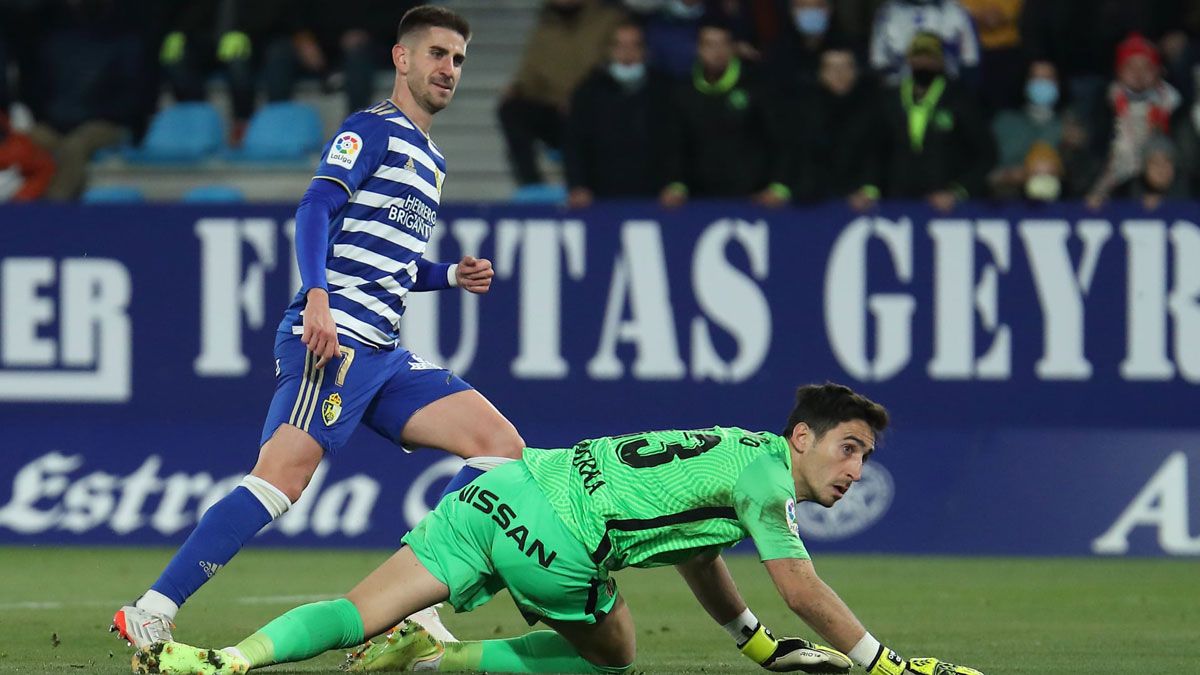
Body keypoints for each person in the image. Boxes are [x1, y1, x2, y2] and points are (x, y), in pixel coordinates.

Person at [111, 6, 524, 652]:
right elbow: (316, 207)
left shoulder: (432, 160)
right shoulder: (370, 130)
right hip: (335, 338)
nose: (449, 69)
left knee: (499, 445)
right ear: (402, 58)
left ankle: (412, 597)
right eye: (438, 54)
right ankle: (152, 607)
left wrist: (448, 275)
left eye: (460, 60)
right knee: (282, 476)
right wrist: (318, 300)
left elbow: (387, 258)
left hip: (383, 351)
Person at [129, 383, 987, 675]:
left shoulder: (735, 457)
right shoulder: (770, 483)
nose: (854, 467)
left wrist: (757, 646)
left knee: (359, 611)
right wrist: (885, 663)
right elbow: (800, 586)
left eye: (864, 457)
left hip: (506, 484)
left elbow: (697, 554)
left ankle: (224, 659)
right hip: (561, 541)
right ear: (803, 437)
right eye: (848, 447)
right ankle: (439, 659)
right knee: (614, 651)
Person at [853, 32, 995, 213]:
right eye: (918, 57)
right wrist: (869, 188)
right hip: (897, 203)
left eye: (930, 57)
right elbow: (875, 151)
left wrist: (957, 192)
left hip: (948, 208)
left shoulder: (961, 100)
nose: (924, 63)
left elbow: (987, 154)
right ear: (909, 61)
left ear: (941, 61)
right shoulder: (888, 100)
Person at [659, 20, 791, 208]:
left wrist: (779, 186)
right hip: (700, 200)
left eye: (723, 44)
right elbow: (675, 144)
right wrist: (676, 183)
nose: (717, 52)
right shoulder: (683, 92)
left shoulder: (758, 85)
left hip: (754, 199)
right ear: (698, 49)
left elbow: (781, 139)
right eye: (710, 45)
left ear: (732, 48)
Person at [496, 0, 625, 188]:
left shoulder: (607, 20)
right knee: (510, 109)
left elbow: (611, 67)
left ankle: (583, 185)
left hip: (595, 107)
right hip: (554, 107)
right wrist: (518, 88)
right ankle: (532, 184)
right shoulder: (547, 24)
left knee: (584, 115)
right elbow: (531, 71)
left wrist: (580, 98)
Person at [564, 20, 669, 208]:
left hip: (655, 197)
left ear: (644, 50)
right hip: (600, 196)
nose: (627, 53)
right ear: (610, 50)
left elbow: (674, 142)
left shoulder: (662, 89)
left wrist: (674, 184)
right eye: (620, 45)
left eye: (634, 45)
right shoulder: (589, 91)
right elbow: (575, 142)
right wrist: (578, 185)